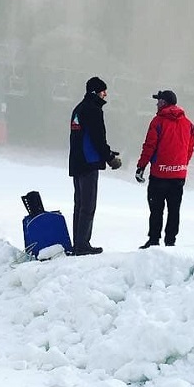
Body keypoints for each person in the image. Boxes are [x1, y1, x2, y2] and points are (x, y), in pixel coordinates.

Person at [135, 89, 194, 248]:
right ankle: (171, 241)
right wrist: (182, 164)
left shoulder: (157, 122)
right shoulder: (189, 124)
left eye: (158, 101)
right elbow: (190, 148)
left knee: (156, 209)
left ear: (164, 103)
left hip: (159, 175)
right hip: (179, 175)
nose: (156, 104)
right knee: (174, 210)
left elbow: (149, 146)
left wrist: (141, 166)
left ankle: (154, 240)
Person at [68, 76, 122, 256]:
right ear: (95, 92)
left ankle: (78, 243)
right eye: (103, 91)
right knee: (88, 206)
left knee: (79, 204)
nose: (105, 94)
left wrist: (106, 152)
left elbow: (86, 138)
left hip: (77, 162)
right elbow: (98, 138)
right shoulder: (93, 110)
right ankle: (83, 245)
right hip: (88, 163)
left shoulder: (79, 109)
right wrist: (109, 158)